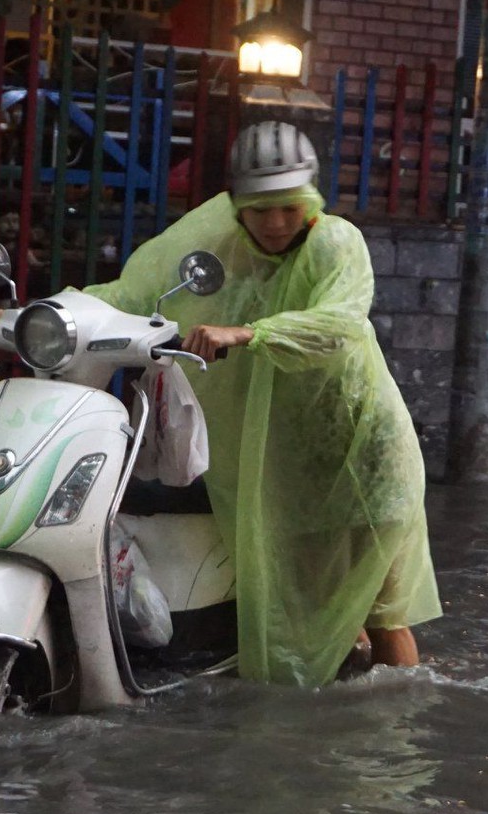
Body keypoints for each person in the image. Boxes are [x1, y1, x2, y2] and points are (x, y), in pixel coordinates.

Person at [81, 120, 441, 685]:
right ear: (236, 208)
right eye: (258, 209)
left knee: (378, 606)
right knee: (317, 604)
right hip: (288, 461)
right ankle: (329, 726)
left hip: (362, 455)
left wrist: (250, 333)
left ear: (312, 203)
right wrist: (48, 312)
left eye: (289, 208)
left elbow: (338, 324)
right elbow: (134, 293)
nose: (274, 224)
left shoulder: (336, 242)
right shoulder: (219, 247)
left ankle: (390, 730)